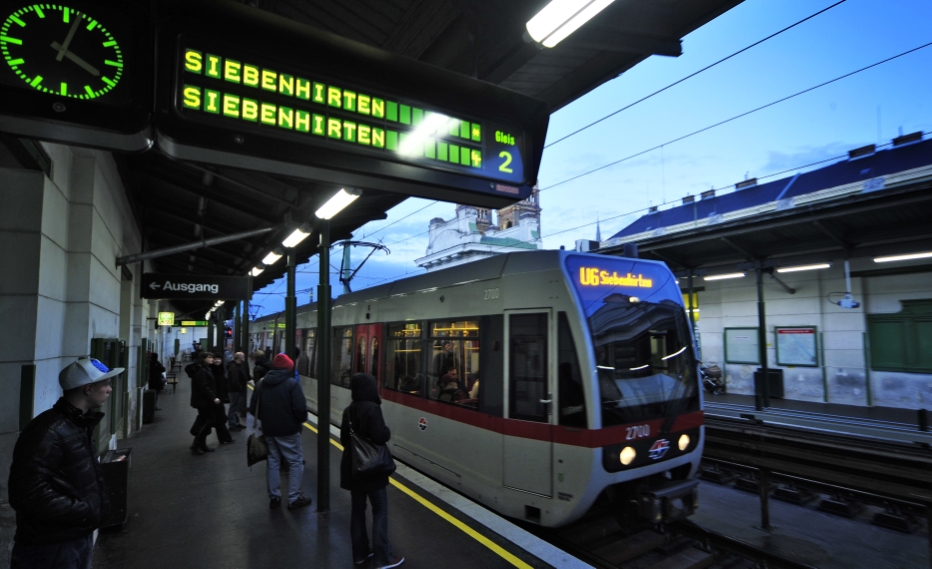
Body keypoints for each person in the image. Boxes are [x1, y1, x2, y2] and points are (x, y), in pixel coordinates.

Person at [8, 357, 117, 569]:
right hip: (51, 547)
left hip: (73, 536)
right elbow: (27, 494)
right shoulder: (48, 431)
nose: (109, 389)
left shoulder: (76, 425)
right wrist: (84, 510)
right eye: (105, 384)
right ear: (88, 389)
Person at [340, 373, 404, 569]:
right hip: (373, 471)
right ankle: (383, 558)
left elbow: (344, 440)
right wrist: (387, 431)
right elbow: (379, 436)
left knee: (357, 512)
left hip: (355, 469)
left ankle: (360, 554)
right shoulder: (373, 408)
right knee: (380, 511)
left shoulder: (348, 411)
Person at [254, 353, 312, 510]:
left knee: (273, 461)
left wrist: (267, 419)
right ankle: (293, 498)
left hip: (269, 429)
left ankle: (274, 497)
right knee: (295, 462)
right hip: (289, 430)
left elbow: (254, 408)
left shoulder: (262, 382)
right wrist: (298, 420)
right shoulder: (292, 384)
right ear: (288, 367)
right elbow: (300, 409)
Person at [187, 352, 234, 455]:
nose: (212, 359)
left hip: (204, 401)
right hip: (203, 401)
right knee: (209, 421)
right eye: (209, 357)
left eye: (212, 357)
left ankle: (202, 444)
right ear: (203, 359)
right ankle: (196, 444)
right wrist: (213, 398)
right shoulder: (201, 371)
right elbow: (204, 387)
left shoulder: (205, 369)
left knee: (206, 421)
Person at [226, 352, 250, 431]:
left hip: (235, 390)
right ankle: (232, 425)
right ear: (240, 358)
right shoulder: (234, 367)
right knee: (233, 408)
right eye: (243, 356)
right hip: (235, 391)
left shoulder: (236, 366)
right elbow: (235, 380)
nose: (244, 358)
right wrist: (240, 388)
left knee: (235, 408)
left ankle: (236, 422)